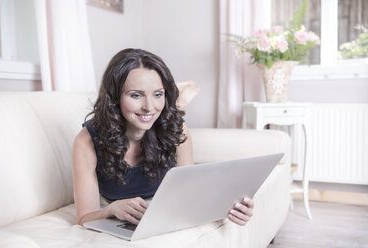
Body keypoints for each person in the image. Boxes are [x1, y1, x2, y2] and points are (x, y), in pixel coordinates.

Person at [72, 48, 254, 229]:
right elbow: (84, 217)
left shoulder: (177, 131)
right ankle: (180, 96)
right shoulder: (86, 141)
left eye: (158, 94)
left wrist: (230, 207)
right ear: (114, 98)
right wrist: (111, 209)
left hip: (163, 209)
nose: (149, 107)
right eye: (136, 95)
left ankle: (178, 98)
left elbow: (190, 193)